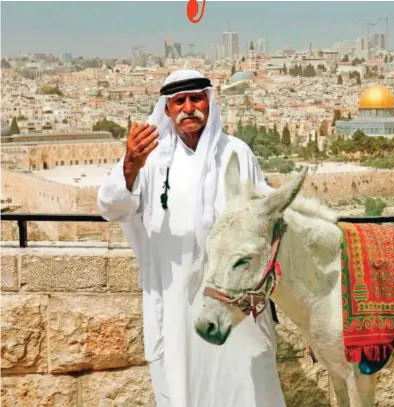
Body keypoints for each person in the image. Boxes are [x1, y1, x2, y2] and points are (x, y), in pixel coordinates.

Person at [97, 69, 286, 407]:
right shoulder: (150, 159)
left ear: (209, 102)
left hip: (232, 299)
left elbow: (265, 212)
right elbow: (110, 206)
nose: (188, 107)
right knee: (184, 383)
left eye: (196, 98)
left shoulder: (236, 153)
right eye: (179, 101)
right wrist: (129, 168)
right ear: (167, 109)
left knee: (244, 385)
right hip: (174, 297)